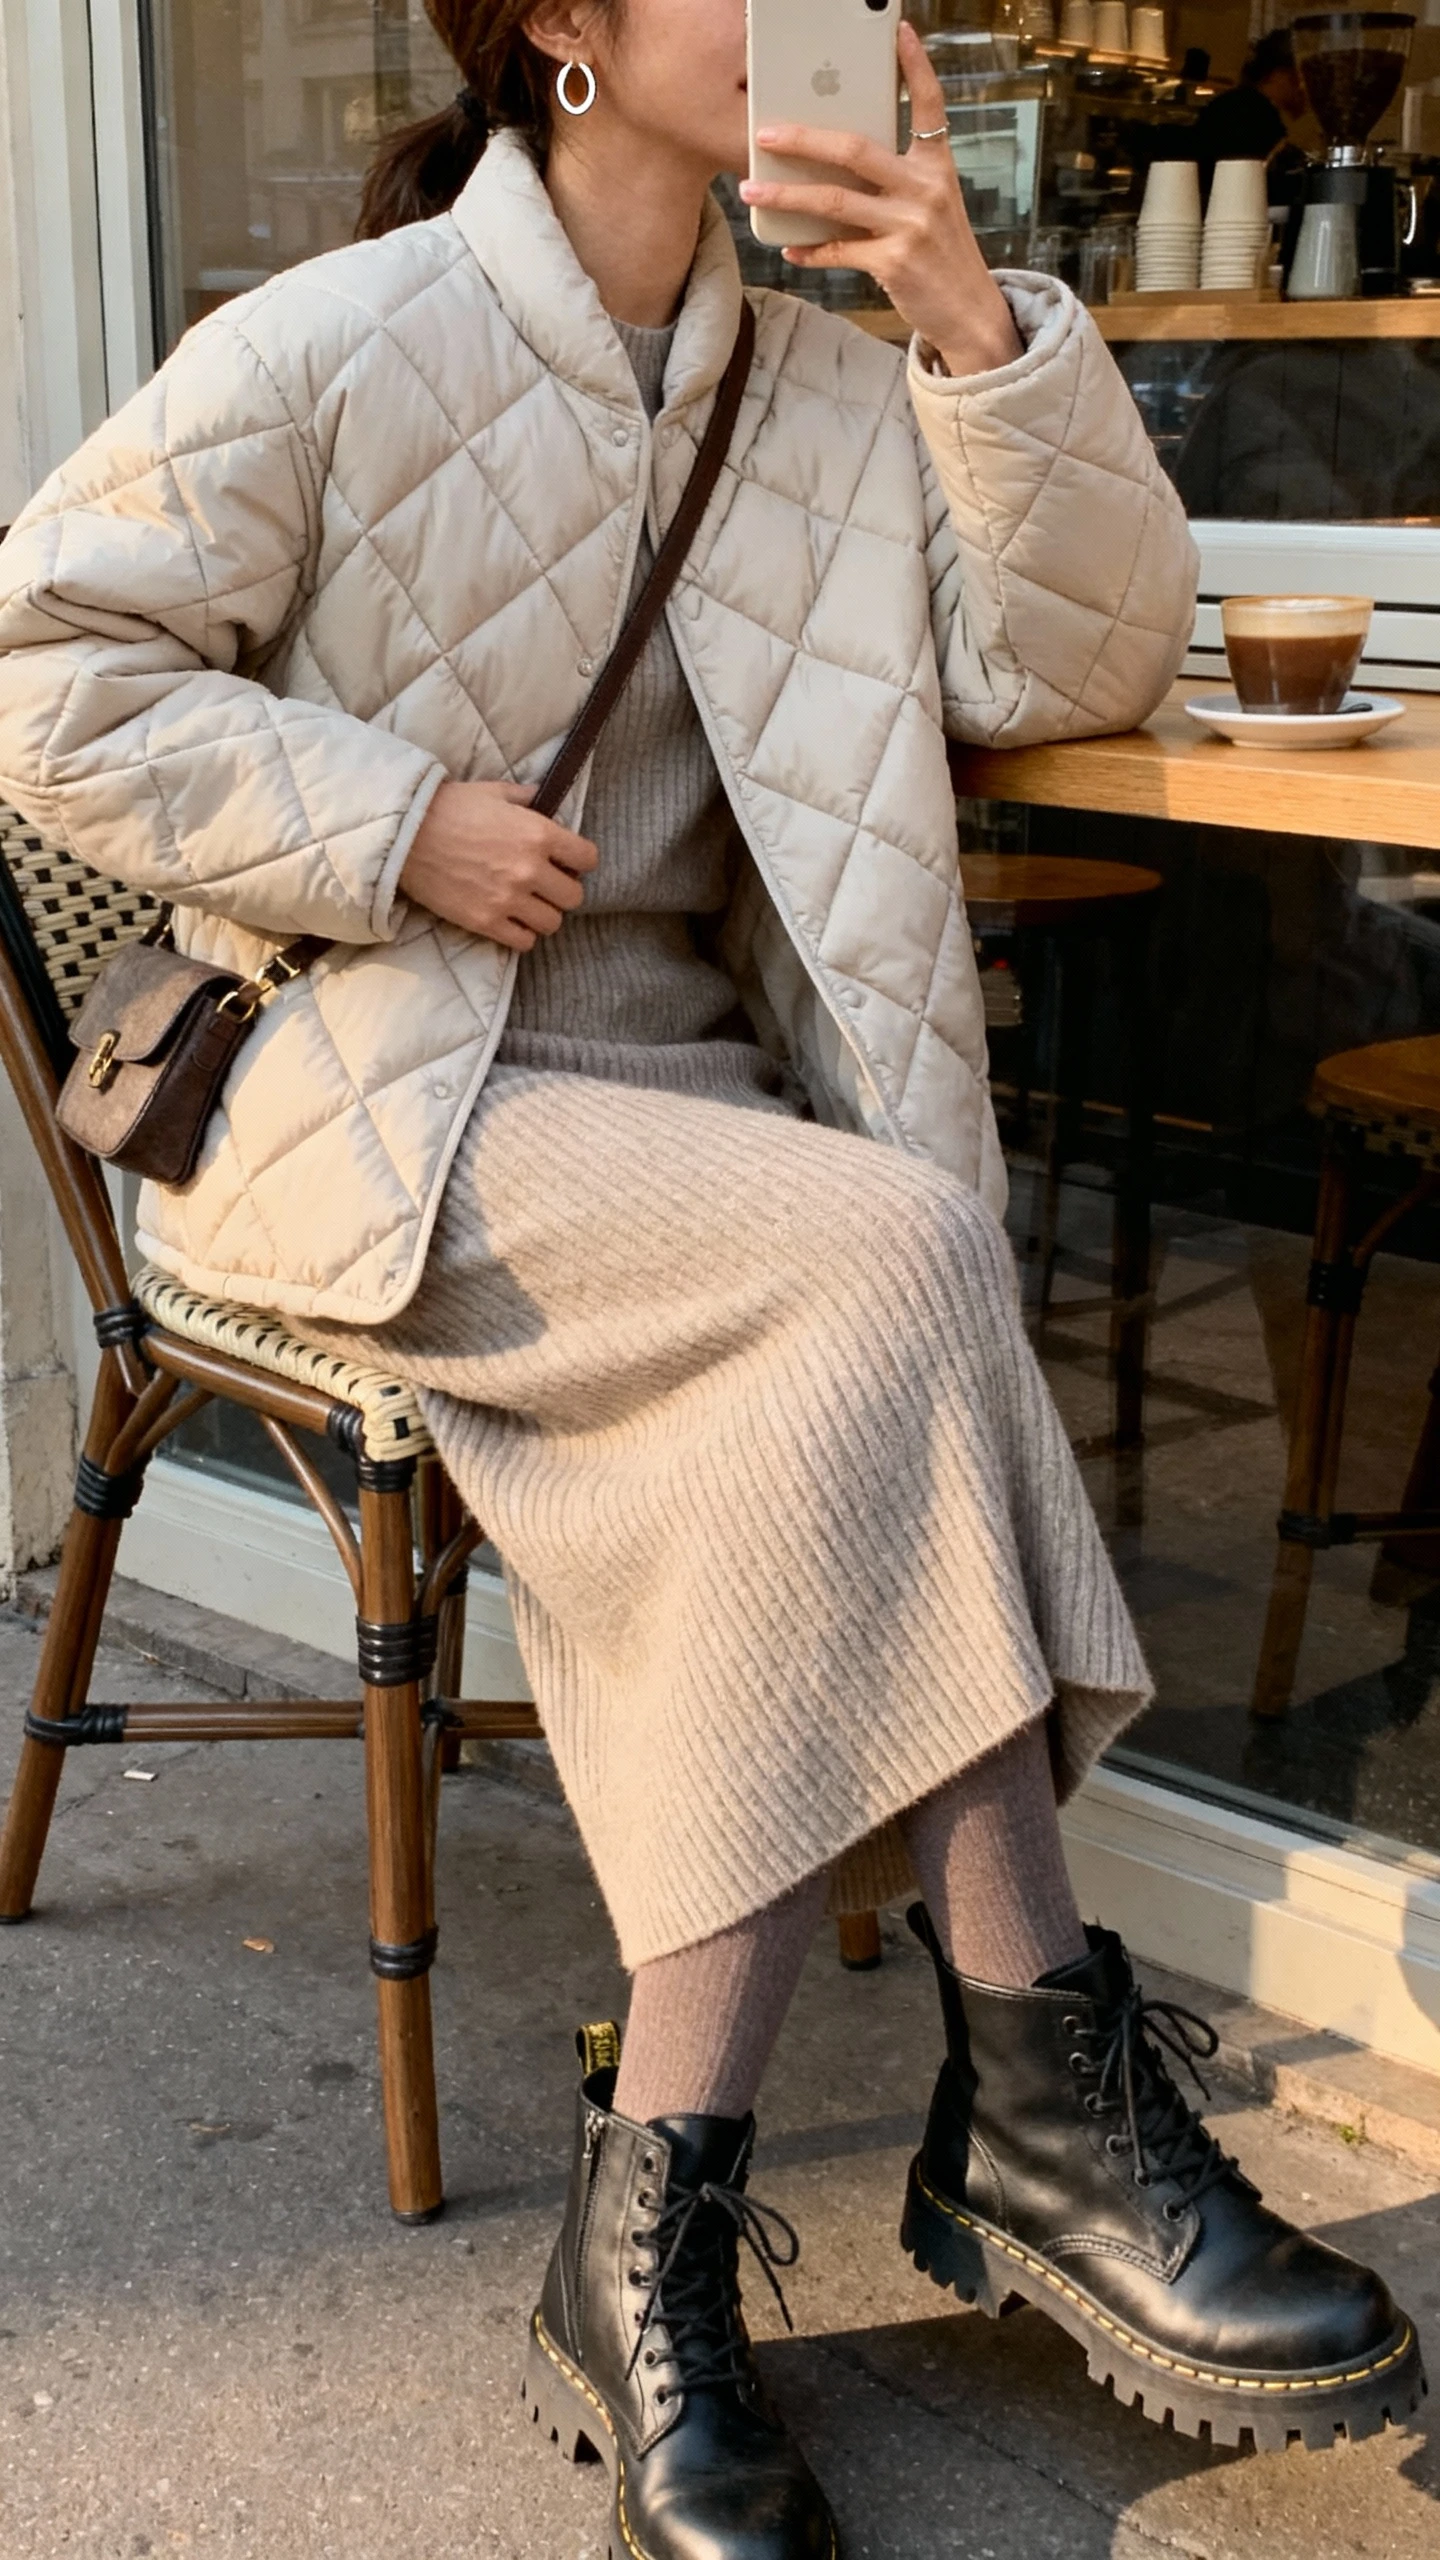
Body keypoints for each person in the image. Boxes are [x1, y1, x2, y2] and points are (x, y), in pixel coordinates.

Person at [0, 3, 1420, 2551]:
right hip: (384, 1104)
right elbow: (46, 677)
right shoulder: (333, 351)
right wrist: (387, 814)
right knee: (893, 1256)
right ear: (558, 27)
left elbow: (1066, 665)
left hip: (701, 1142)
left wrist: (979, 326)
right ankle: (1040, 2104)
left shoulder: (834, 389)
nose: (825, 9)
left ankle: (646, 2217)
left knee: (834, 1336)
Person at [1193, 26, 1307, 186]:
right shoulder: (1254, 115)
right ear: (1279, 74)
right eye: (1301, 77)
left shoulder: (1234, 105)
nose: (1304, 88)